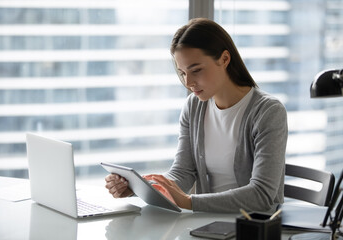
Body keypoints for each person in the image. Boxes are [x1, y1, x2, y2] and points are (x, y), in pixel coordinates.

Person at [105, 18, 288, 213]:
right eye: (182, 73)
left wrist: (189, 202)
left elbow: (262, 195)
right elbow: (183, 173)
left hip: (254, 226)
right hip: (207, 223)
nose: (188, 82)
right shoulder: (194, 107)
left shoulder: (268, 112)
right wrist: (137, 187)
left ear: (224, 59)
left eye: (196, 70)